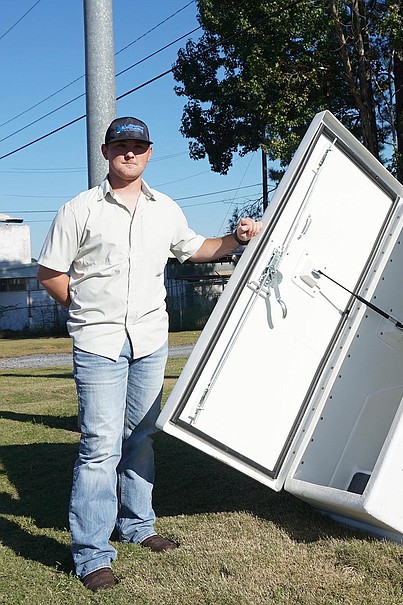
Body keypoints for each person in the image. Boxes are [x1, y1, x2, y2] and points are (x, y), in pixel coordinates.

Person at [36, 116, 263, 592]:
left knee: (140, 437)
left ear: (149, 152)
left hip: (150, 341)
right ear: (106, 151)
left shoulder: (165, 209)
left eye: (138, 145)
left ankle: (138, 525)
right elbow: (51, 272)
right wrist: (86, 310)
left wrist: (237, 241)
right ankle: (92, 554)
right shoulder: (79, 209)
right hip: (99, 343)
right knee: (100, 447)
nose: (130, 152)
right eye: (121, 145)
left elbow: (198, 248)